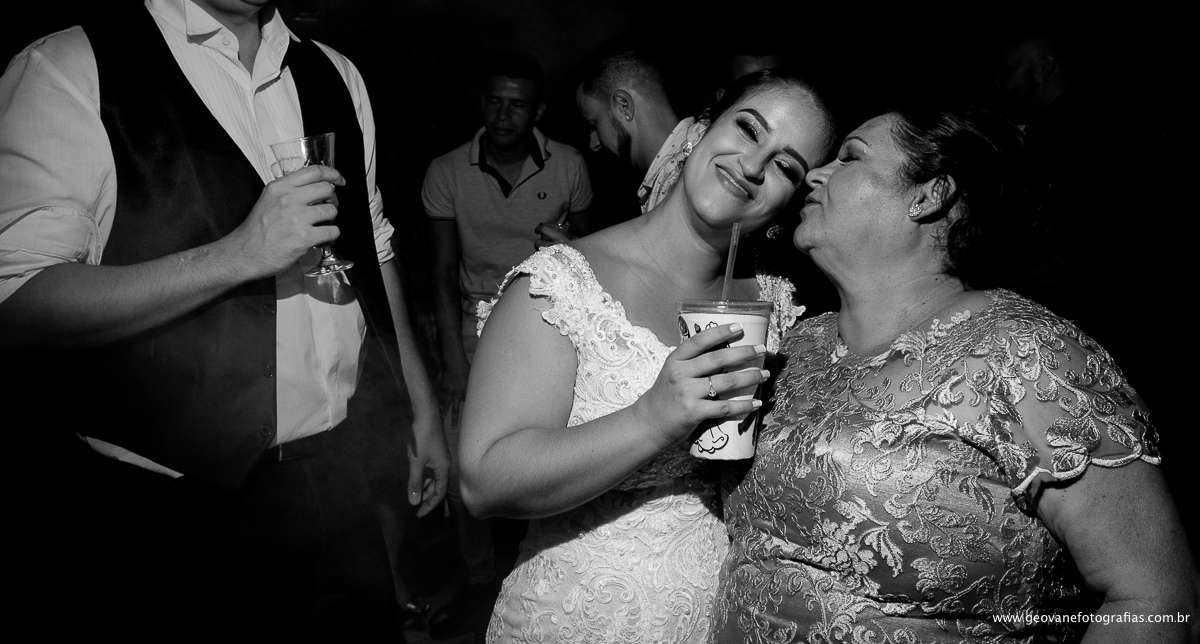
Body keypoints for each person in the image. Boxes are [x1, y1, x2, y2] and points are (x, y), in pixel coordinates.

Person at [0, 0, 449, 638]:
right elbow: (20, 302)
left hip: (340, 487)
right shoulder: (70, 70)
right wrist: (238, 255)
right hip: (173, 519)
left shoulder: (334, 74)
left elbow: (374, 250)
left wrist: (420, 407)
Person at [711, 106, 1199, 643]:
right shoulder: (797, 345)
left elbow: (1155, 599)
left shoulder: (1023, 351)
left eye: (849, 157)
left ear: (930, 195)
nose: (816, 174)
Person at [458, 69, 838, 643]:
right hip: (580, 618)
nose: (753, 166)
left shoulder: (775, 304)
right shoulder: (563, 284)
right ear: (700, 130)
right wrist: (653, 417)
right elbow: (484, 482)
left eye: (785, 166)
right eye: (747, 129)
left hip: (718, 617)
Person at [421, 50, 593, 637]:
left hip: (549, 323)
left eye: (517, 105)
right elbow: (439, 272)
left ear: (537, 111)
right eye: (494, 102)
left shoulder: (569, 166)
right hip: (474, 324)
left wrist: (568, 244)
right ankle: (477, 581)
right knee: (466, 465)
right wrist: (451, 357)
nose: (503, 115)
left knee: (543, 456)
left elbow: (592, 255)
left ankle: (537, 569)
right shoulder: (447, 170)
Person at [574, 46, 707, 216]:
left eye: (593, 125)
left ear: (624, 106)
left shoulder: (689, 177)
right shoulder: (680, 168)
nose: (593, 144)